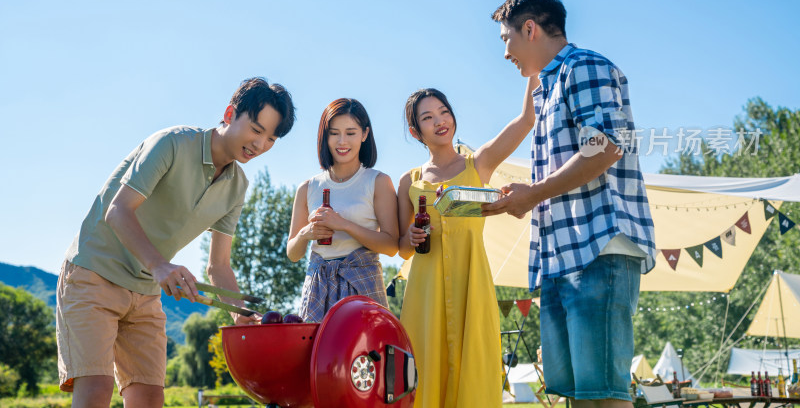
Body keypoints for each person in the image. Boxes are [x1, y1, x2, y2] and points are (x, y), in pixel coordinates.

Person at [56, 77, 296, 408]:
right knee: (97, 388)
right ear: (229, 114)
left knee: (149, 398)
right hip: (94, 273)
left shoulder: (237, 186)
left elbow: (218, 264)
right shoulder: (171, 143)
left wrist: (240, 313)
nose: (260, 144)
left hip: (144, 293)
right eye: (256, 129)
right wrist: (159, 265)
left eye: (271, 138)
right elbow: (118, 211)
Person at [482, 0, 657, 408]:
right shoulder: (547, 90)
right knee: (579, 397)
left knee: (604, 396)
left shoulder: (585, 66)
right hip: (561, 259)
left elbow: (606, 146)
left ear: (529, 29)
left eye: (506, 39)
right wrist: (524, 196)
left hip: (600, 248)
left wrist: (533, 194)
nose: (506, 53)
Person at [397, 79, 536, 408]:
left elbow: (526, 120)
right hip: (424, 293)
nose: (440, 120)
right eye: (428, 117)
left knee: (474, 367)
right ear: (416, 132)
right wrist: (411, 237)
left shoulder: (478, 163)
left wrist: (533, 69)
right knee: (425, 369)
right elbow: (400, 247)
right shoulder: (409, 181)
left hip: (471, 284)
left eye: (444, 112)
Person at [287, 98, 399, 322]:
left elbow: (391, 246)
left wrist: (344, 225)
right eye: (334, 133)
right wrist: (306, 234)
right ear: (324, 136)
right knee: (317, 355)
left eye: (350, 132)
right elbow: (293, 253)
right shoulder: (308, 187)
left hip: (363, 283)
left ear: (364, 134)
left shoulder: (378, 181)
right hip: (318, 287)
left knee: (365, 354)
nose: (342, 141)